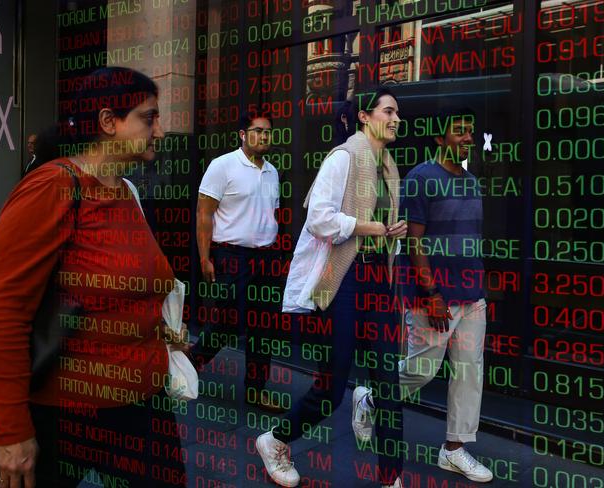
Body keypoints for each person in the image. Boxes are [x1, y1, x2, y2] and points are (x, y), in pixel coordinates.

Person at [0, 67, 188, 487]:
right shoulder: (52, 188)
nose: (160, 131)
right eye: (149, 117)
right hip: (65, 414)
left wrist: (158, 326)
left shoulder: (126, 191)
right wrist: (11, 432)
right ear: (108, 122)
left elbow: (129, 284)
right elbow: (1, 313)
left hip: (139, 406)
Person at [257, 87, 407, 488]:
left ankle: (391, 479)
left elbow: (381, 227)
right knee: (332, 388)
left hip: (378, 282)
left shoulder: (390, 167)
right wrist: (366, 227)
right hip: (343, 280)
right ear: (364, 117)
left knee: (389, 389)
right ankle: (275, 440)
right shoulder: (343, 157)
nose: (395, 118)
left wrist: (393, 231)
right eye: (388, 111)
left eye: (397, 113)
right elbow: (319, 219)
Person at [358, 108, 493, 483]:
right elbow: (412, 242)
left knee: (469, 373)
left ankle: (454, 449)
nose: (467, 138)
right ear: (439, 139)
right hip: (432, 296)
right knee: (420, 370)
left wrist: (479, 289)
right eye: (459, 132)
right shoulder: (420, 179)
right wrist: (431, 293)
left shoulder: (471, 181)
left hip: (471, 296)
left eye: (470, 131)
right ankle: (371, 399)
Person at [190, 112, 284, 412]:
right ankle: (188, 367)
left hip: (265, 259)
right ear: (243, 134)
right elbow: (204, 214)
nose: (265, 137)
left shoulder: (272, 172)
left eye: (269, 132)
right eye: (258, 131)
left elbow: (270, 214)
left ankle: (256, 391)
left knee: (263, 326)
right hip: (232, 256)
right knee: (226, 323)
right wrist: (205, 258)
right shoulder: (223, 166)